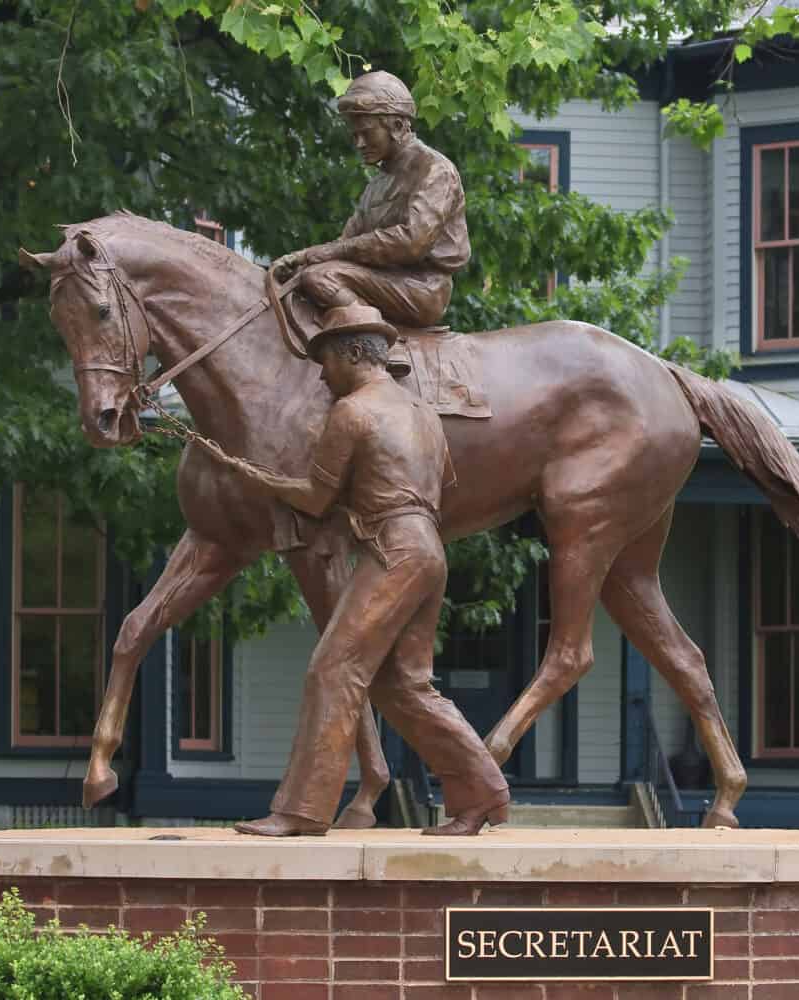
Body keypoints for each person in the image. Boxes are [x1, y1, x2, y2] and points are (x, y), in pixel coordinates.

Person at [234, 308, 510, 837]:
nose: (321, 374)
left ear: (356, 354)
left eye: (327, 360)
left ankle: (301, 811)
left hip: (393, 550)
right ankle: (482, 793)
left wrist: (258, 477)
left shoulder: (353, 412)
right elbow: (438, 485)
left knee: (333, 668)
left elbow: (316, 499)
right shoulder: (423, 414)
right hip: (429, 548)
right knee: (405, 685)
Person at [270, 71, 469, 336]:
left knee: (320, 277)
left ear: (397, 127)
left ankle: (376, 347)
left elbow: (413, 242)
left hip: (422, 287)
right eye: (354, 136)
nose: (359, 143)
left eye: (365, 133)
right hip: (382, 280)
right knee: (306, 276)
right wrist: (302, 258)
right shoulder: (376, 185)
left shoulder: (435, 170)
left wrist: (322, 257)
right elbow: (345, 243)